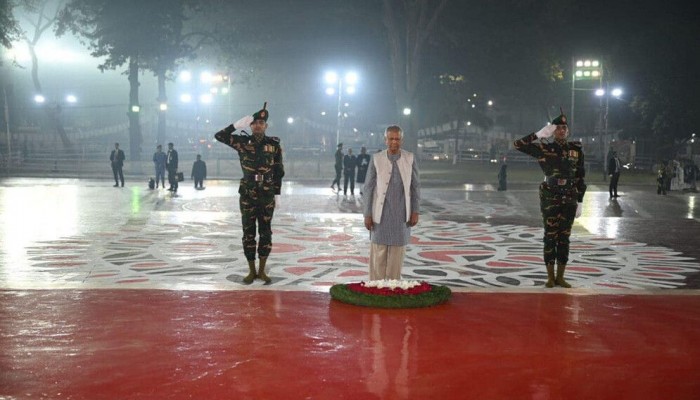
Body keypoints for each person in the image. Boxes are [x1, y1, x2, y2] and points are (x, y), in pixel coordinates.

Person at [214, 102, 284, 284]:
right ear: (250, 126)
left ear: (266, 126)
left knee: (266, 232)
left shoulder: (274, 145)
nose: (258, 125)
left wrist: (277, 194)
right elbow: (219, 136)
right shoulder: (242, 142)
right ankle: (251, 270)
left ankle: (262, 270)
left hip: (267, 194)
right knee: (248, 231)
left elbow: (278, 171)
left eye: (261, 123)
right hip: (247, 194)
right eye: (254, 123)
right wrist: (235, 126)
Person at [513, 112, 586, 288]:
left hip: (569, 195)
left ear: (567, 131)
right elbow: (517, 145)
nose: (561, 130)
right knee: (550, 236)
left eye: (564, 128)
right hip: (550, 195)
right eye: (558, 128)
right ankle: (550, 277)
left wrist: (581, 200)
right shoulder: (544, 148)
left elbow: (580, 176)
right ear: (552, 131)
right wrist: (538, 135)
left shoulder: (576, 150)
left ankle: (561, 276)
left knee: (564, 237)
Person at [362, 125, 420, 281]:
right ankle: (375, 288)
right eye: (391, 139)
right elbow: (368, 188)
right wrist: (367, 214)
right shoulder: (377, 159)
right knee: (378, 254)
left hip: (401, 214)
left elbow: (415, 187)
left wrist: (415, 211)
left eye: (397, 139)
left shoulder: (410, 158)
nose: (394, 142)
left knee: (396, 257)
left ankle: (393, 289)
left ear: (402, 140)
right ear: (385, 140)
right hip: (380, 214)